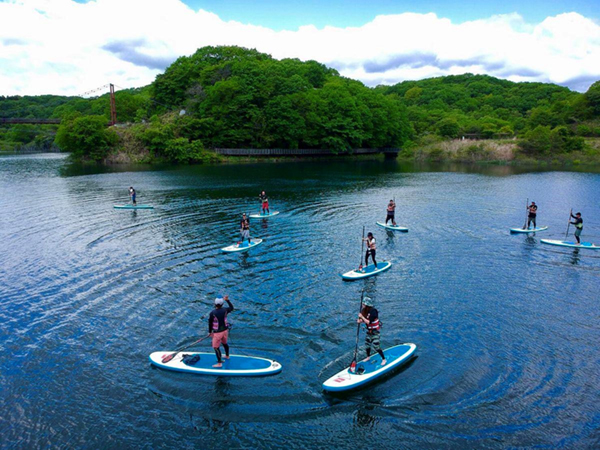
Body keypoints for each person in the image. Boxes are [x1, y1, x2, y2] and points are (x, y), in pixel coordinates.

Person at [357, 297, 386, 365]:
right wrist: (360, 321)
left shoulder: (373, 311)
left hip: (375, 332)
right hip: (369, 331)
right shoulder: (364, 311)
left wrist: (362, 317)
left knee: (376, 346)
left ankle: (383, 359)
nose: (362, 305)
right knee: (367, 345)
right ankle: (368, 357)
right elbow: (364, 320)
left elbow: (369, 322)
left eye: (363, 304)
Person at [208, 296, 234, 368]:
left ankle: (219, 363)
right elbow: (232, 308)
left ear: (215, 304)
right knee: (225, 343)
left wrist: (210, 332)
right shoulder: (225, 310)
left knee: (216, 347)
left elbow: (210, 323)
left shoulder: (212, 313)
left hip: (217, 333)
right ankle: (227, 356)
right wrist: (227, 300)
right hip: (225, 331)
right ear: (222, 304)